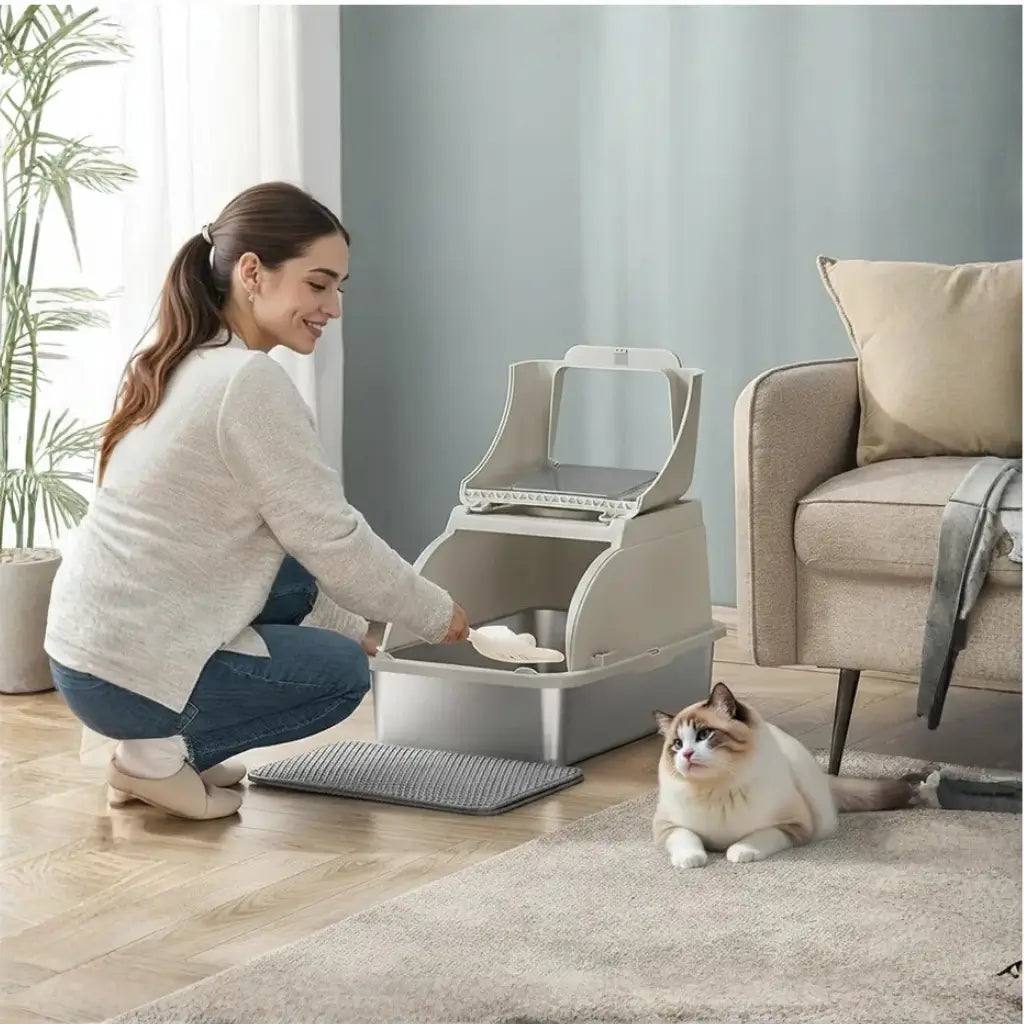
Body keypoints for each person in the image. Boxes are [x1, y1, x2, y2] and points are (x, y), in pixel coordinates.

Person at [44, 181, 470, 821]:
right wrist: (435, 615)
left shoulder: (183, 358)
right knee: (338, 676)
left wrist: (363, 628)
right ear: (252, 273)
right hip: (125, 673)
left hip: (88, 652)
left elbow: (299, 545)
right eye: (317, 284)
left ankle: (155, 747)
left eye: (338, 289)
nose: (333, 306)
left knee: (298, 577)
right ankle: (152, 759)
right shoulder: (247, 382)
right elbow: (333, 536)